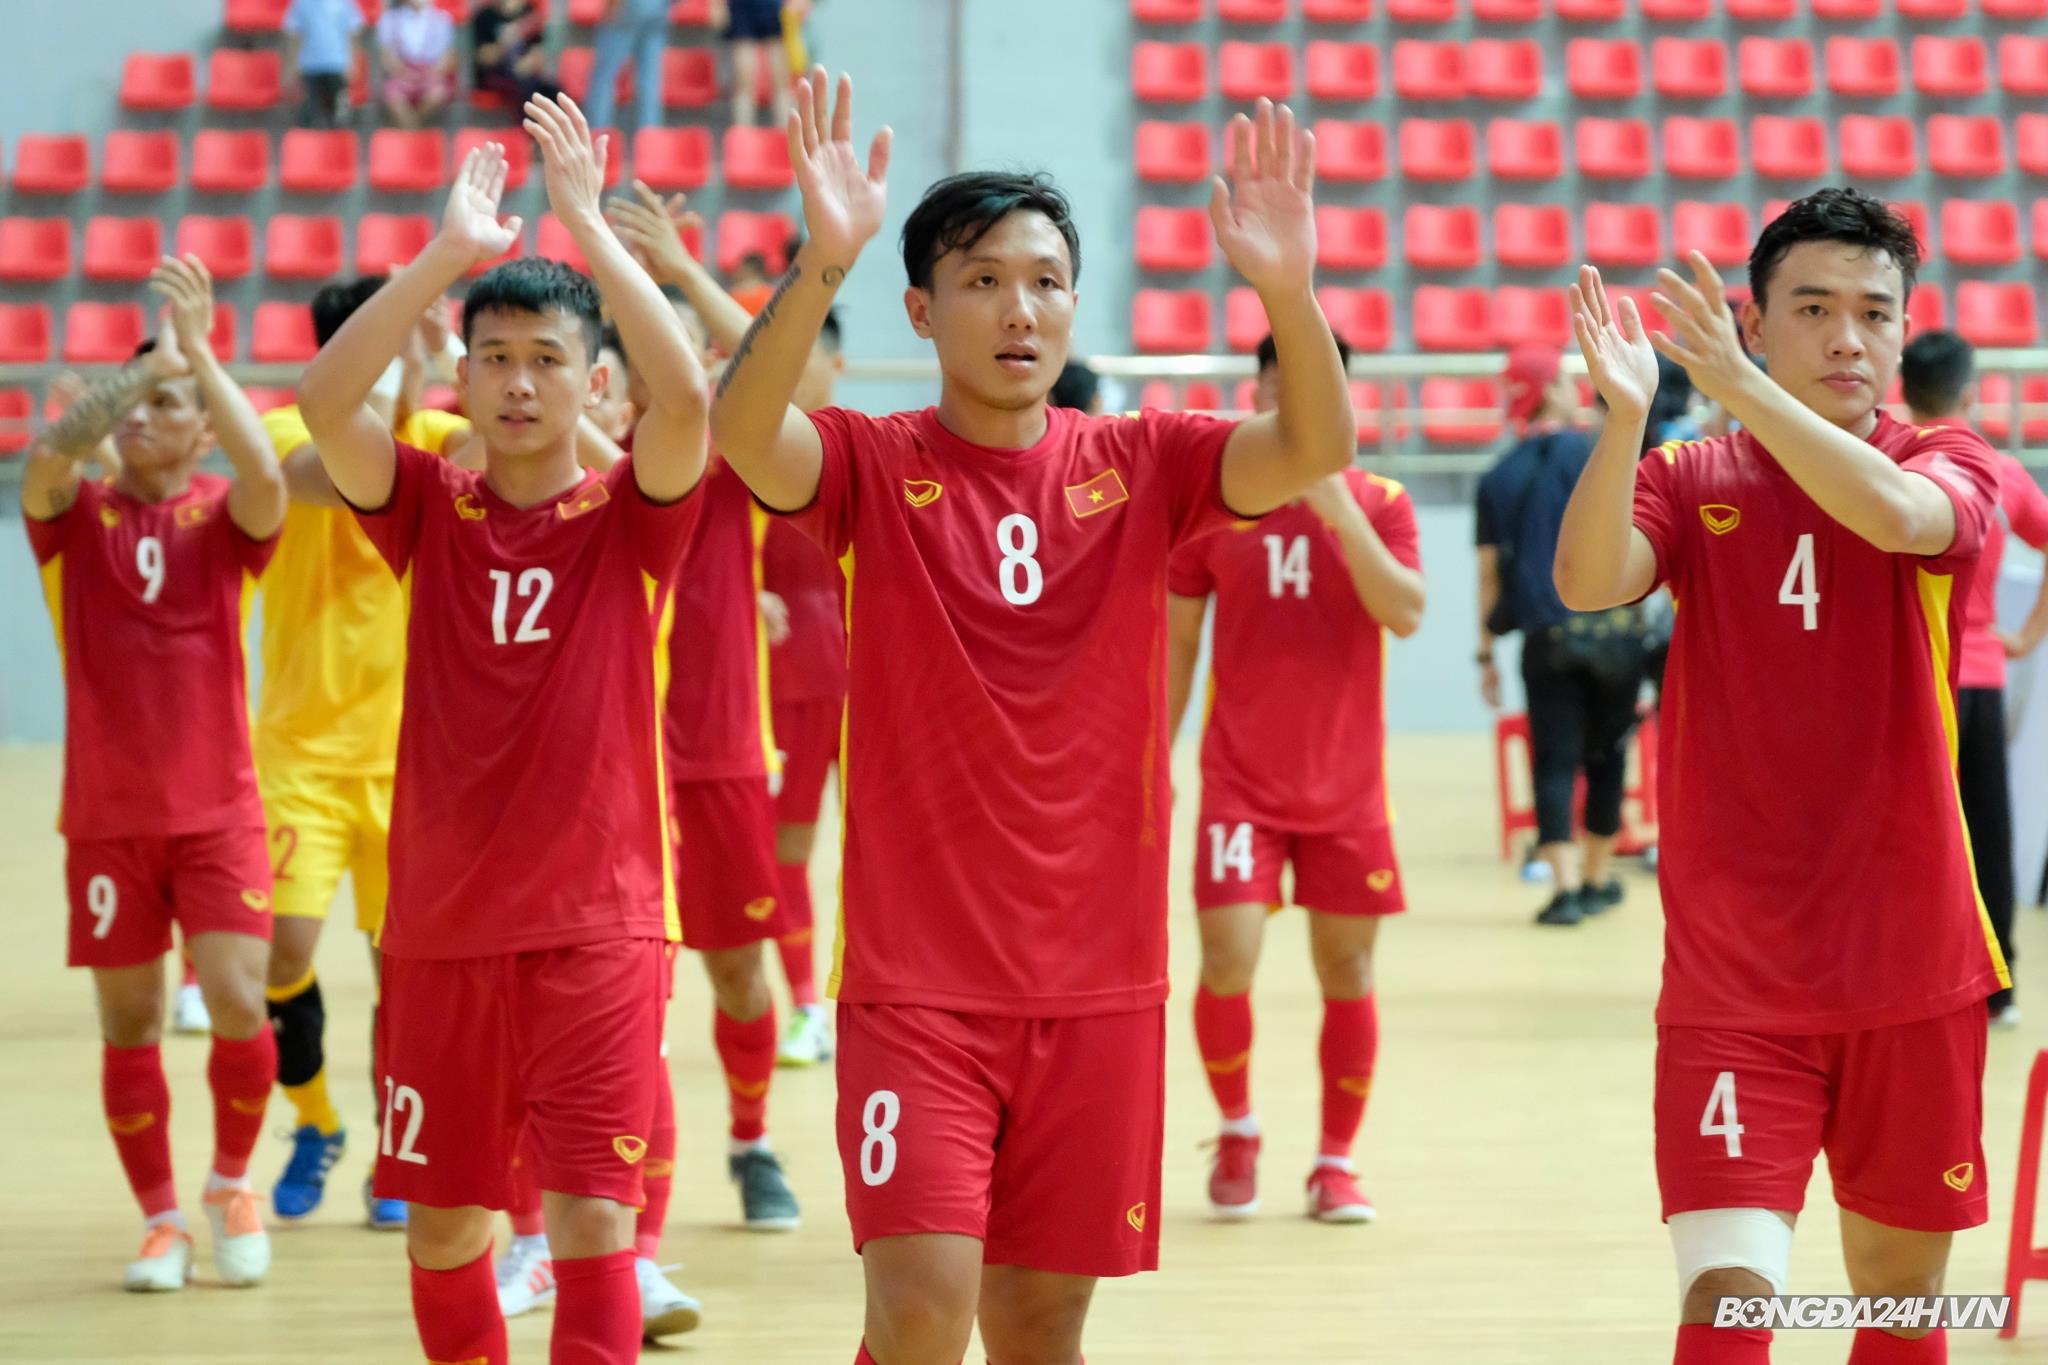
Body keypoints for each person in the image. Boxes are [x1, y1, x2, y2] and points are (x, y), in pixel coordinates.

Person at [709, 72, 1354, 1364]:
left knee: (1040, 1327)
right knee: (920, 1308)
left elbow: (1314, 448)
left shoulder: (1149, 461)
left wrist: (1289, 289)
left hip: (1100, 986)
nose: (1021, 307)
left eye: (1047, 279)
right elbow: (742, 435)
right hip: (917, 986)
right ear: (922, 307)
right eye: (985, 278)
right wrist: (820, 261)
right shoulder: (873, 465)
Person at [1556, 190, 2007, 1364]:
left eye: (1872, 311)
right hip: (1733, 979)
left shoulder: (1944, 459)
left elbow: (1905, 520)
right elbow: (1588, 579)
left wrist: (1743, 389)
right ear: (1754, 321)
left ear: (1905, 332)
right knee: (1727, 1308)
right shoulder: (1693, 471)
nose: (1846, 337)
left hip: (1910, 968)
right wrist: (1621, 424)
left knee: (1900, 1309)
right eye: (1812, 308)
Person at [298, 96, 709, 1365]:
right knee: (444, 1228)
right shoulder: (425, 500)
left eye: (547, 359)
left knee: (591, 1217)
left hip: (596, 922)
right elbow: (322, 400)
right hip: (440, 930)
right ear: (461, 378)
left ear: (593, 384)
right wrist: (444, 256)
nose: (520, 382)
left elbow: (688, 395)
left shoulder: (632, 513)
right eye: (496, 357)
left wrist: (589, 224)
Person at [24, 257, 287, 1292]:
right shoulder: (73, 515)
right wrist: (146, 368)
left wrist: (202, 359)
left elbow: (267, 472)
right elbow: (48, 453)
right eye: (135, 402)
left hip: (219, 811)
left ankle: (230, 1184)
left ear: (203, 429)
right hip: (106, 820)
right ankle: (162, 1220)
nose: (142, 418)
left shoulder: (227, 515)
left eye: (168, 406)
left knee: (235, 999)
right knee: (129, 1023)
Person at [1166, 331, 1424, 1225]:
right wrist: (1150, 762)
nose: (1295, 400)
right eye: (1280, 385)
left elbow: (1405, 612)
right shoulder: (1217, 503)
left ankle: (1335, 1161)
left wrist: (1333, 504)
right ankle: (1237, 1128)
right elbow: (1179, 642)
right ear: (1260, 392)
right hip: (1239, 784)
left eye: (1314, 387)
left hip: (1347, 790)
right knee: (1227, 959)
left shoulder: (1382, 500)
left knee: (1347, 969)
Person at [610, 181, 849, 1069]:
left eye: (676, 342)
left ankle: (754, 1137)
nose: (661, 361)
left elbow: (768, 362)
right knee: (620, 985)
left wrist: (679, 268)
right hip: (603, 760)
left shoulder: (715, 450)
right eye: (638, 342)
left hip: (717, 746)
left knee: (738, 970)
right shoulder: (564, 459)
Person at [256, 276, 474, 1234]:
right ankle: (314, 1122)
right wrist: (406, 370)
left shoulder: (431, 434)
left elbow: (508, 456)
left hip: (409, 762)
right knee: (279, 953)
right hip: (300, 752)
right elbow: (332, 479)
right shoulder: (280, 435)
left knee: (404, 976)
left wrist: (438, 369)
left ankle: (398, 1139)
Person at [1902, 329, 2048, 1030]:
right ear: (1969, 389)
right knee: (1986, 832)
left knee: (1904, 834)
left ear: (1902, 387)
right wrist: (2025, 635)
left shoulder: (1887, 464)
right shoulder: (1997, 470)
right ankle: (1999, 985)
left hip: (1906, 684)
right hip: (1979, 680)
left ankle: (1908, 978)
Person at [1476, 344, 1642, 925]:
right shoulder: (1604, 455)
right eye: (1567, 381)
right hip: (1617, 633)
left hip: (1546, 637)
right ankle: (1598, 877)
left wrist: (1485, 653)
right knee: (1608, 757)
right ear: (1549, 390)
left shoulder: (1498, 477)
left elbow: (1489, 577)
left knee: (1553, 761)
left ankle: (1564, 890)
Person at [585, 0, 669, 134]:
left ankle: (596, 139)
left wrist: (612, 6)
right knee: (649, 79)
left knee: (603, 78)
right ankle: (651, 142)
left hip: (628, 6)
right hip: (657, 6)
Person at [376, 0, 459, 129]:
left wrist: (428, 74)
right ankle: (416, 132)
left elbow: (448, 57)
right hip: (401, 74)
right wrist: (405, 73)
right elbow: (387, 57)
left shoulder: (442, 19)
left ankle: (412, 129)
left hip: (431, 74)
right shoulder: (389, 18)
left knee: (437, 93)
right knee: (393, 97)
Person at [284, 0, 365, 129]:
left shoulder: (346, 3)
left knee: (341, 117)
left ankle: (338, 146)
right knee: (308, 116)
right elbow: (294, 36)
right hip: (309, 67)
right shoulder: (301, 3)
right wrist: (291, 67)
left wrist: (352, 63)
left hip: (338, 66)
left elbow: (352, 35)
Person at [472, 0, 562, 112]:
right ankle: (530, 127)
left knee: (553, 90)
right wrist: (504, 42)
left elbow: (538, 51)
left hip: (525, 74)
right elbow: (483, 59)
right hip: (495, 76)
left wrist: (528, 63)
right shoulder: (484, 16)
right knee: (526, 90)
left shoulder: (530, 12)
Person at [716, 0, 794, 127]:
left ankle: (787, 139)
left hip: (773, 8)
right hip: (742, 7)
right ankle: (744, 140)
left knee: (782, 85)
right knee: (743, 83)